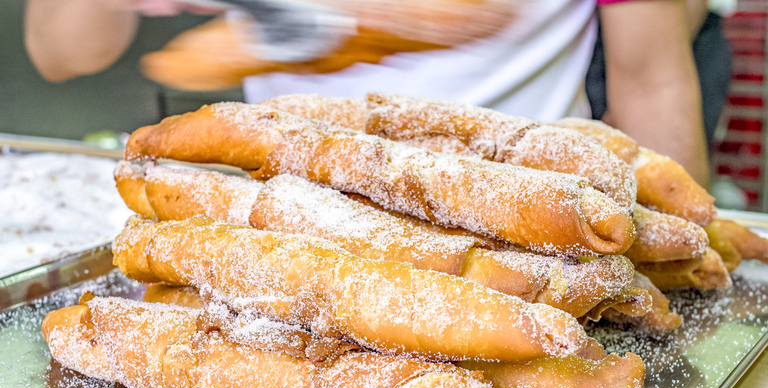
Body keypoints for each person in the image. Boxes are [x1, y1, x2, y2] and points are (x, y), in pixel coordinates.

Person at [25, 0, 710, 187]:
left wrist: (678, 246)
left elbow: (651, 79)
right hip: (303, 193)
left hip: (530, 198)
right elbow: (60, 50)